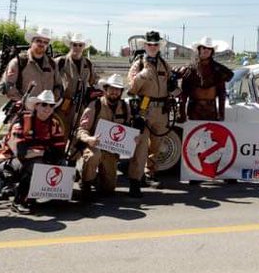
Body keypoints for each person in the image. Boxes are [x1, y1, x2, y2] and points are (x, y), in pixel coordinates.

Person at [0, 90, 68, 213]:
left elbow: (59, 152)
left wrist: (42, 153)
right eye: (44, 104)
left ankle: (53, 195)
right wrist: (44, 153)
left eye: (51, 105)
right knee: (36, 164)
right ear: (36, 106)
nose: (48, 109)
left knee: (62, 163)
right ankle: (18, 201)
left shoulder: (55, 125)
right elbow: (22, 153)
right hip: (9, 163)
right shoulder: (21, 123)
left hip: (36, 159)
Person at [126, 30, 174, 190]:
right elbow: (131, 88)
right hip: (144, 108)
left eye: (155, 44)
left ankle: (149, 174)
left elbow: (172, 88)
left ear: (159, 46)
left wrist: (174, 87)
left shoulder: (165, 64)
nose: (153, 47)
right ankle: (135, 181)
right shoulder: (138, 63)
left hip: (162, 110)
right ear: (145, 45)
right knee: (141, 147)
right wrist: (141, 75)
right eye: (150, 44)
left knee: (157, 146)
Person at [75, 74, 136, 198]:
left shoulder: (125, 107)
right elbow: (81, 130)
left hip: (111, 150)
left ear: (121, 92)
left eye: (117, 89)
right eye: (111, 88)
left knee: (109, 189)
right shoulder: (95, 105)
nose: (114, 92)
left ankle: (97, 178)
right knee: (93, 156)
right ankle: (86, 182)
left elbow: (128, 129)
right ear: (106, 89)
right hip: (94, 146)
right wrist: (88, 139)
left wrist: (134, 138)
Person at [179, 37, 233, 122]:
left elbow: (222, 94)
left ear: (212, 51)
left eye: (209, 48)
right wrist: (182, 114)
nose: (206, 50)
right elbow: (184, 94)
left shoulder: (218, 70)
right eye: (204, 47)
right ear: (199, 49)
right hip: (193, 111)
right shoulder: (190, 69)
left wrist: (221, 114)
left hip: (211, 111)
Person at [2, 28, 63, 103]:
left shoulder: (52, 64)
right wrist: (24, 103)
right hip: (23, 110)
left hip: (46, 111)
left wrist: (51, 102)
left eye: (45, 42)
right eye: (38, 41)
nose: (42, 44)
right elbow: (8, 86)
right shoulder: (18, 62)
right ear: (31, 42)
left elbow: (58, 86)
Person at [57, 33, 97, 141]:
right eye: (75, 45)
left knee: (79, 135)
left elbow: (94, 81)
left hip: (81, 105)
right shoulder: (60, 62)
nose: (77, 48)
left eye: (80, 45)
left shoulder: (88, 64)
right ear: (70, 45)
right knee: (61, 133)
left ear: (84, 47)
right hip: (64, 104)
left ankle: (73, 157)